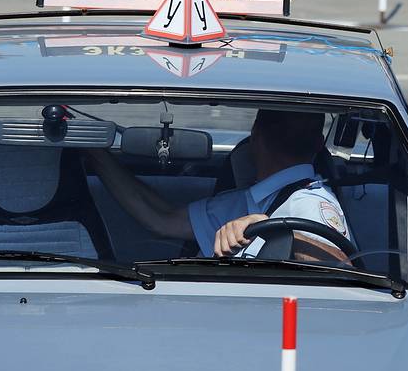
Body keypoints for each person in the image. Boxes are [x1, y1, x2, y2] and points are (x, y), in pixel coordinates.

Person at [87, 109, 353, 261]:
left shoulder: (312, 204)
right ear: (319, 144)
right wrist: (94, 153)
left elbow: (340, 271)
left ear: (255, 135)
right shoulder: (244, 202)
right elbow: (161, 219)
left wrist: (280, 233)